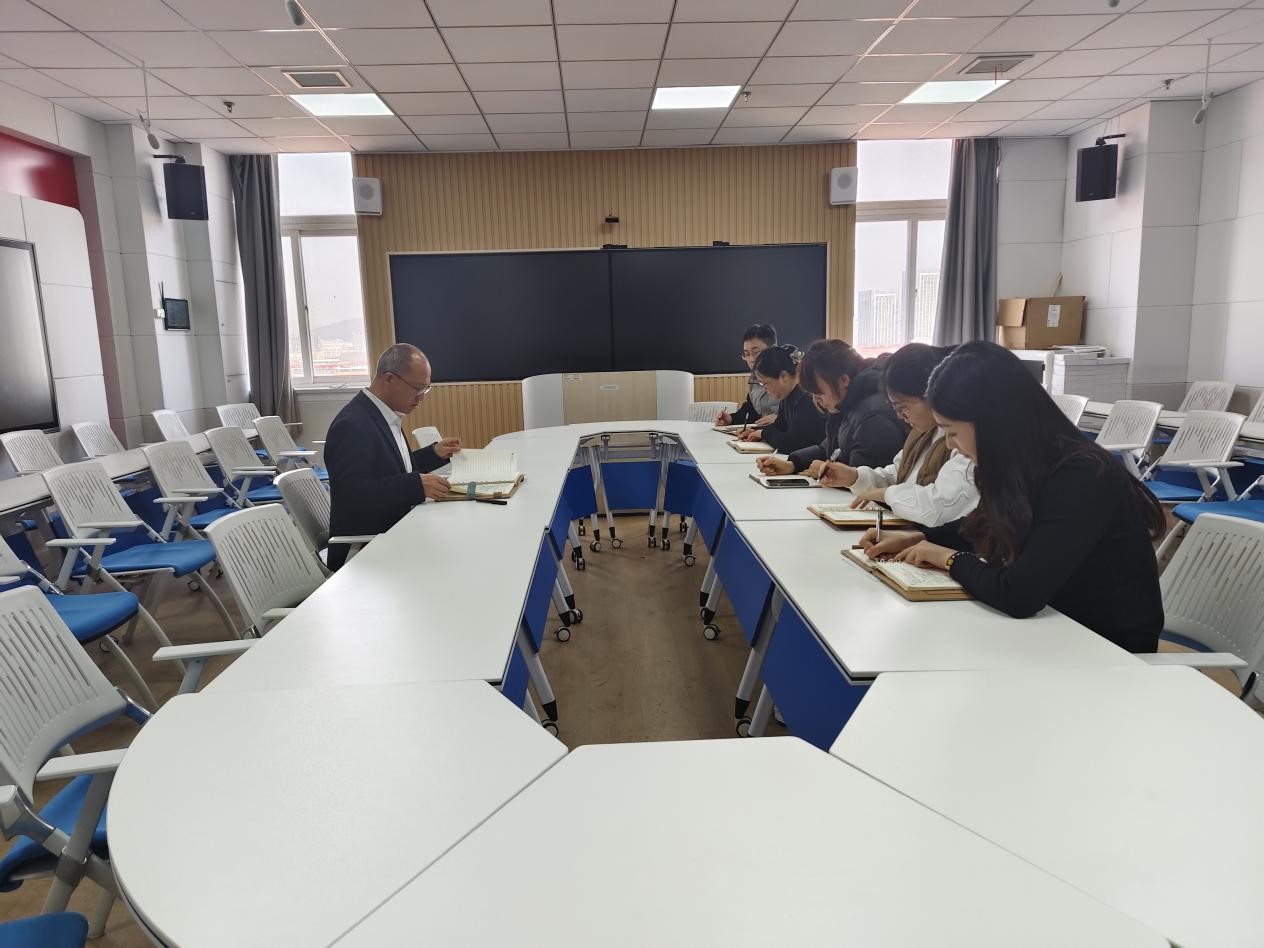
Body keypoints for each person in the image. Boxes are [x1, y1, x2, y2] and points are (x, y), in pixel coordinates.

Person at [860, 341, 1165, 653]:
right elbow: (983, 526)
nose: (950, 444)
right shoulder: (1022, 464)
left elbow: (1018, 593)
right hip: (1053, 630)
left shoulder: (1082, 475)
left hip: (1107, 649)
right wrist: (920, 538)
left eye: (952, 431)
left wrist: (948, 558)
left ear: (991, 421)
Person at [323, 343, 463, 571]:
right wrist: (416, 486)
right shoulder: (352, 424)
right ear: (389, 379)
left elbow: (393, 469)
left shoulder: (382, 414)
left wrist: (434, 453)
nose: (421, 397)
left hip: (394, 530)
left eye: (425, 389)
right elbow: (352, 495)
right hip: (365, 553)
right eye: (417, 388)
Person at [818, 343, 977, 527]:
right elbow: (898, 474)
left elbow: (940, 505)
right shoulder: (922, 432)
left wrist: (886, 494)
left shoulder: (965, 440)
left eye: (902, 407)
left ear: (930, 394)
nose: (899, 416)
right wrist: (854, 477)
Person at [755, 339, 905, 478]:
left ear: (844, 380)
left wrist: (827, 471)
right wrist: (793, 464)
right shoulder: (844, 403)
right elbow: (828, 450)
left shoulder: (872, 416)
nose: (816, 400)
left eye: (819, 392)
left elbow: (865, 479)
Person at [736, 344, 824, 455]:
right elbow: (780, 426)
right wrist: (756, 432)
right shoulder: (787, 396)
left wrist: (763, 434)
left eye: (765, 383)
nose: (765, 389)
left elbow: (791, 443)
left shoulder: (807, 398)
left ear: (784, 376)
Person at [718, 324, 779, 427]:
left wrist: (781, 419)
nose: (751, 359)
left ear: (773, 350)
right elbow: (751, 410)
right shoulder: (754, 378)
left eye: (756, 352)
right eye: (747, 354)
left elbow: (802, 412)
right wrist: (731, 419)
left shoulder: (787, 377)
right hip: (764, 433)